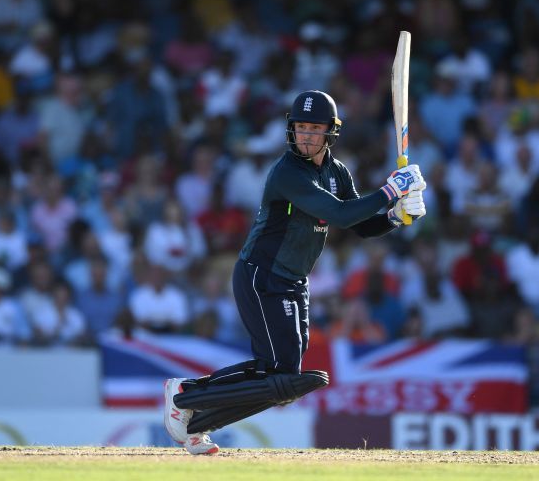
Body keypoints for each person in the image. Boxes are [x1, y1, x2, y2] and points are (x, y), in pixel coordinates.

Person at [163, 90, 427, 455]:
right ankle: (184, 394)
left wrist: (397, 216)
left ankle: (195, 423)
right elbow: (340, 214)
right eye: (300, 127)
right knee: (281, 376)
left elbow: (361, 225)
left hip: (293, 280)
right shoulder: (288, 172)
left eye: (313, 128)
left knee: (282, 382)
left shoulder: (336, 172)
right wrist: (391, 190)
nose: (305, 135)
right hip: (261, 275)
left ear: (330, 132)